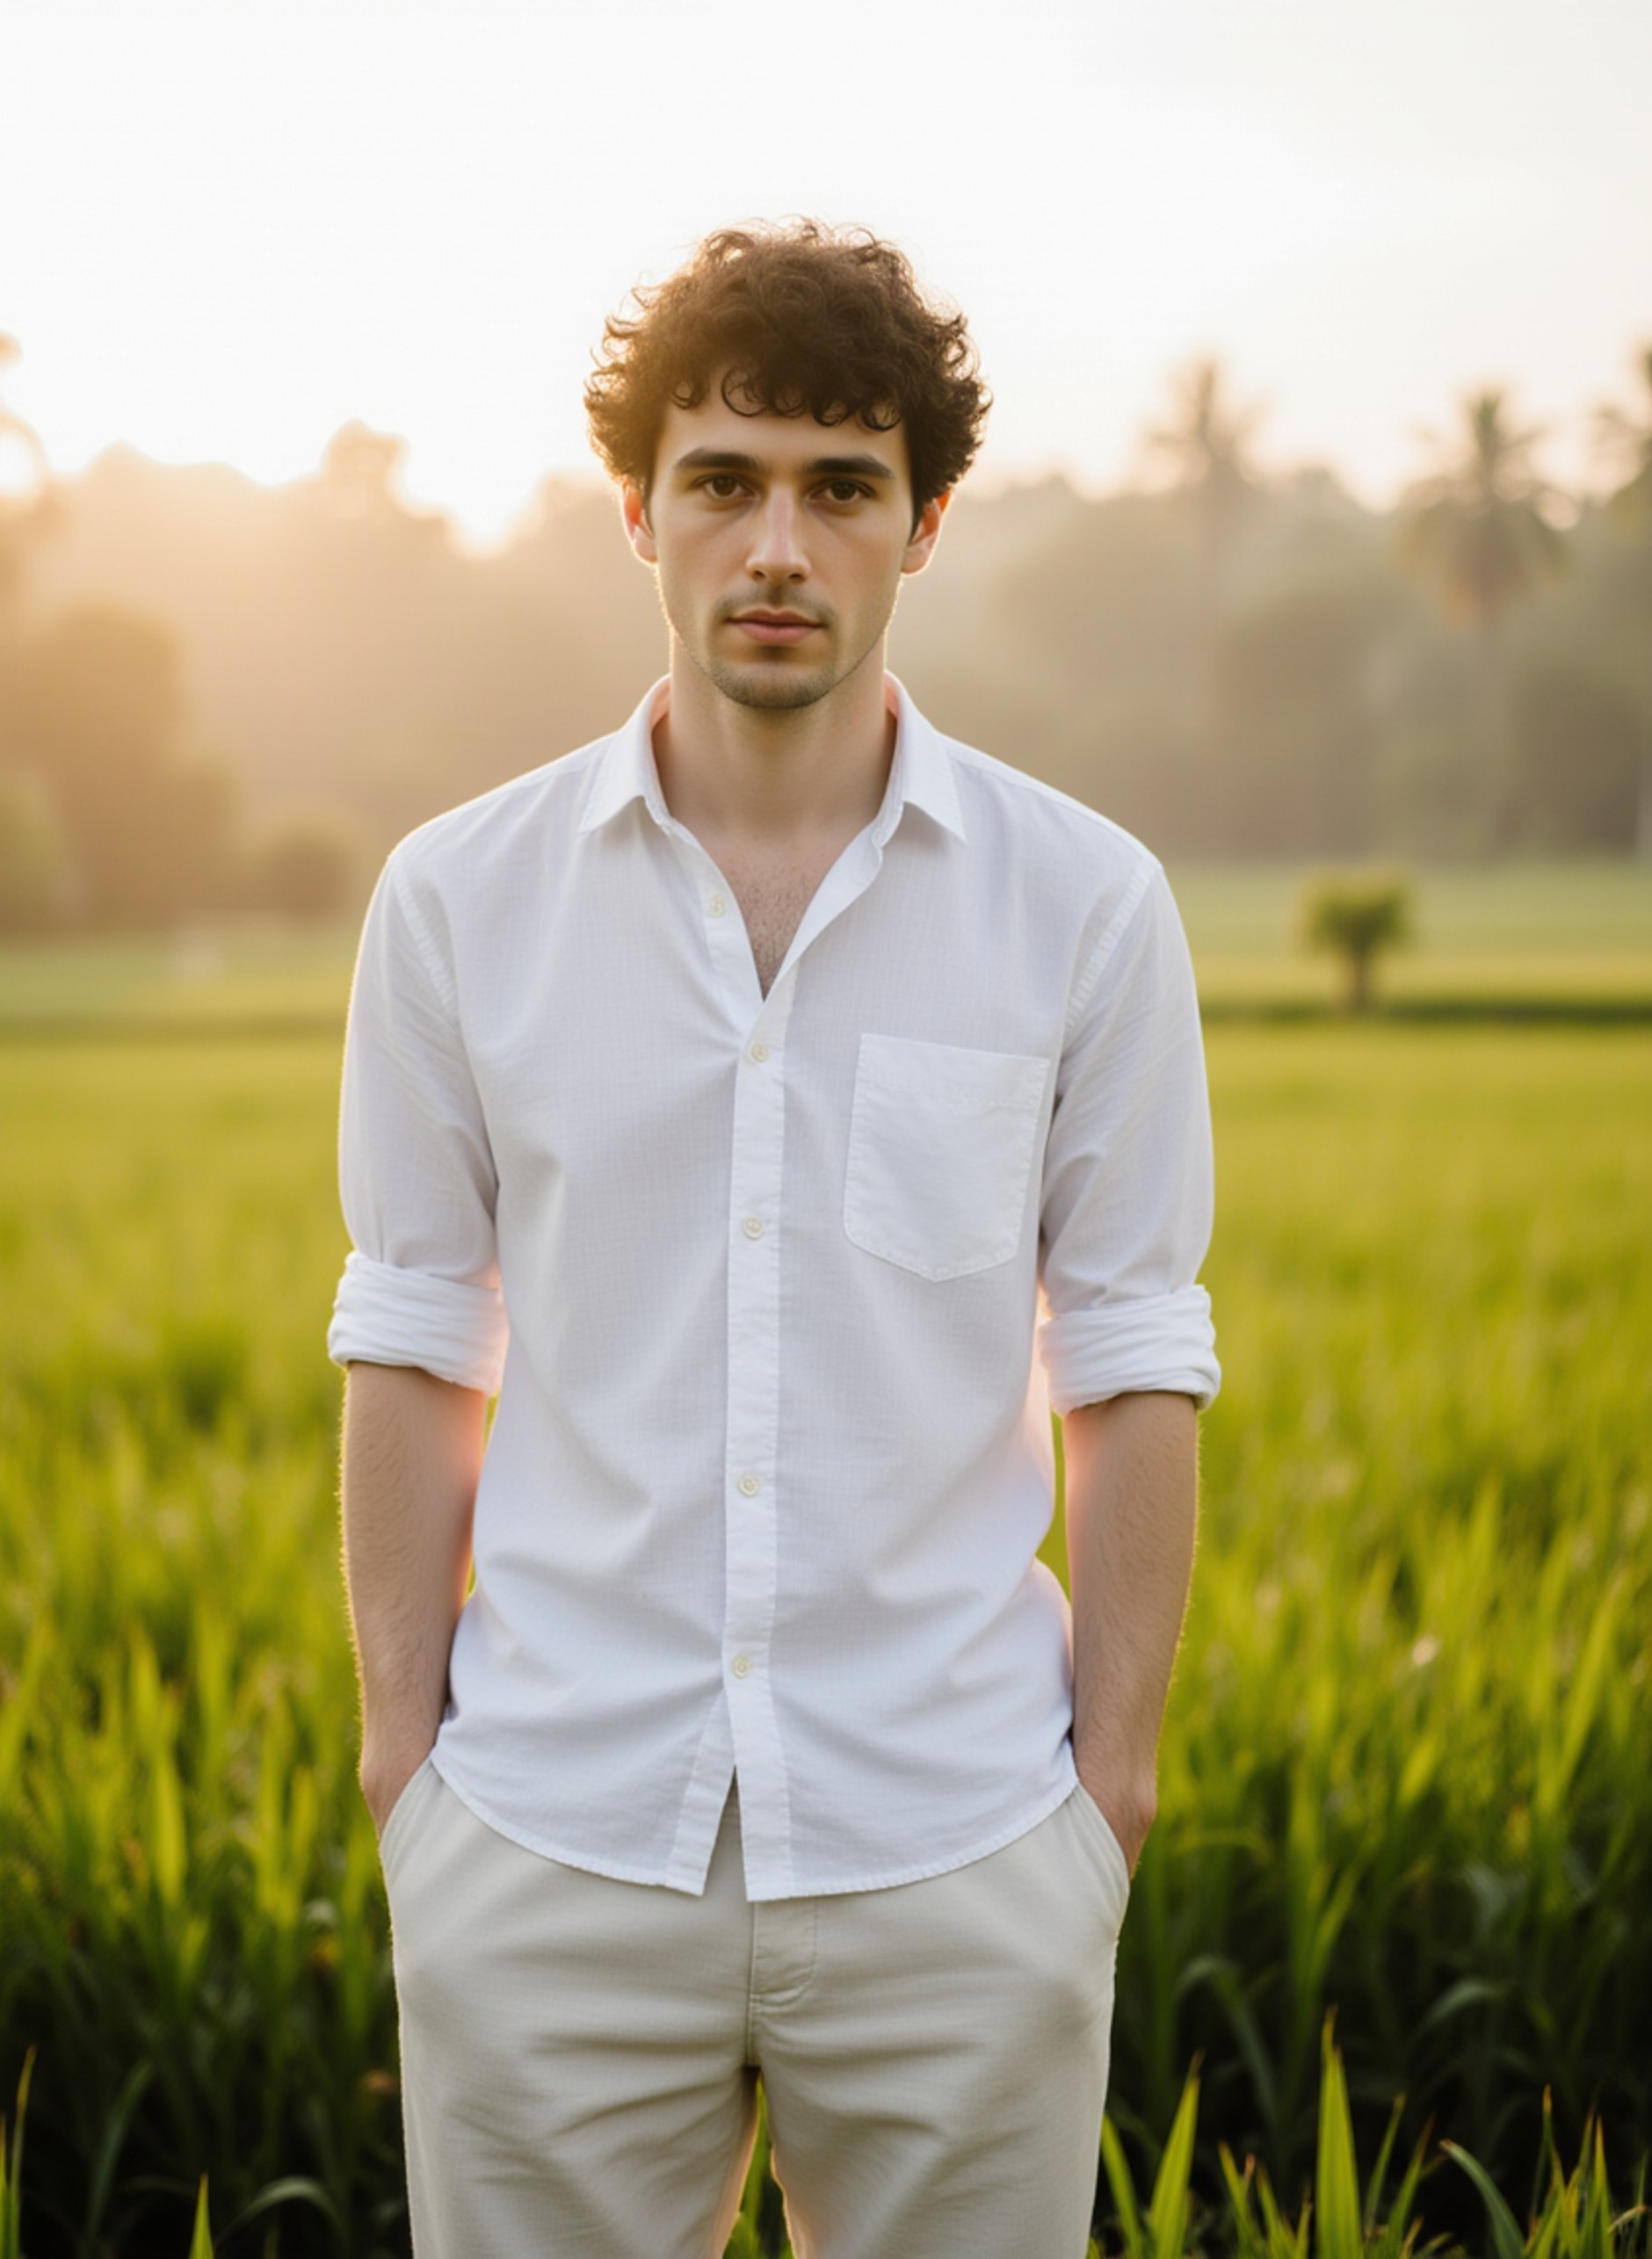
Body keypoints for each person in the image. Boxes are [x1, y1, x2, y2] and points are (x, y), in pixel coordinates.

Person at [330, 218, 1219, 2259]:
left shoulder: (1083, 906)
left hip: (958, 1850)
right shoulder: (457, 900)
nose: (777, 547)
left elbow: (1131, 1350)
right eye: (722, 480)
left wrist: (1107, 1803)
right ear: (637, 507)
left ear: (925, 523)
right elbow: (408, 1329)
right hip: (547, 1839)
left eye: (842, 487)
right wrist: (410, 1775)